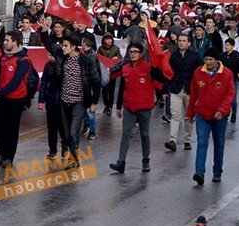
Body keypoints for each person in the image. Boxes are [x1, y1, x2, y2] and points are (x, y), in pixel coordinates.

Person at [108, 42, 163, 173]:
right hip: (129, 107)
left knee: (144, 135)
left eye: (135, 52)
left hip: (145, 107)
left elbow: (160, 82)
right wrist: (119, 106)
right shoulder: (125, 68)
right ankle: (121, 162)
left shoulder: (148, 67)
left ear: (141, 54)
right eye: (131, 52)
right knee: (126, 134)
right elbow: (122, 87)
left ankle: (145, 160)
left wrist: (156, 72)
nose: (133, 54)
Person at [187, 47, 235, 185]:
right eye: (206, 59)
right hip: (202, 114)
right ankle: (199, 172)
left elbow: (230, 95)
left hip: (219, 116)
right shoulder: (198, 73)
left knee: (219, 144)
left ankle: (217, 171)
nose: (208, 62)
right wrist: (190, 113)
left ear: (216, 60)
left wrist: (222, 110)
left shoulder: (226, 74)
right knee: (202, 142)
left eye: (211, 60)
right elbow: (193, 94)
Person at [54, 33, 101, 168]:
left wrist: (93, 103)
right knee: (67, 133)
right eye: (62, 45)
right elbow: (50, 46)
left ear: (73, 47)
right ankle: (73, 157)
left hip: (79, 102)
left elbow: (96, 82)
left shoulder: (86, 61)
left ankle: (73, 160)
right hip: (64, 101)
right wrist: (45, 30)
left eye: (66, 46)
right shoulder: (62, 59)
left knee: (74, 132)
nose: (63, 48)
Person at [0, 30, 34, 167]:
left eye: (7, 40)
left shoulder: (23, 60)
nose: (4, 43)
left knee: (11, 128)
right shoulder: (4, 56)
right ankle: (1, 152)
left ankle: (9, 157)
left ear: (15, 42)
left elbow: (15, 82)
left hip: (16, 99)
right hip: (2, 97)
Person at [166, 31, 202, 151]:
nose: (181, 43)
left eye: (184, 41)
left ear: (189, 43)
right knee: (175, 115)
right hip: (176, 88)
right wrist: (165, 89)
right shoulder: (173, 56)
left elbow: (200, 72)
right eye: (179, 41)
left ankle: (187, 139)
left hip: (190, 89)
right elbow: (168, 72)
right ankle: (173, 140)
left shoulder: (195, 56)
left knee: (189, 116)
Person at [219, 37, 239, 123]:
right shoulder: (222, 56)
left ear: (232, 46)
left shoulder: (237, 56)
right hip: (223, 80)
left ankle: (234, 113)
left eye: (228, 45)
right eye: (225, 45)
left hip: (233, 80)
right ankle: (225, 112)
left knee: (233, 98)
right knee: (223, 97)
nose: (226, 47)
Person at [97, 33, 121, 116]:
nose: (109, 41)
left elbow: (120, 57)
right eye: (107, 39)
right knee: (104, 89)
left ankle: (110, 106)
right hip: (104, 71)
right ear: (104, 40)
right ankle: (106, 105)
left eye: (110, 39)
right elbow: (98, 58)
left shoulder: (116, 48)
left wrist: (117, 57)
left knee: (111, 89)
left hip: (112, 71)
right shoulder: (100, 49)